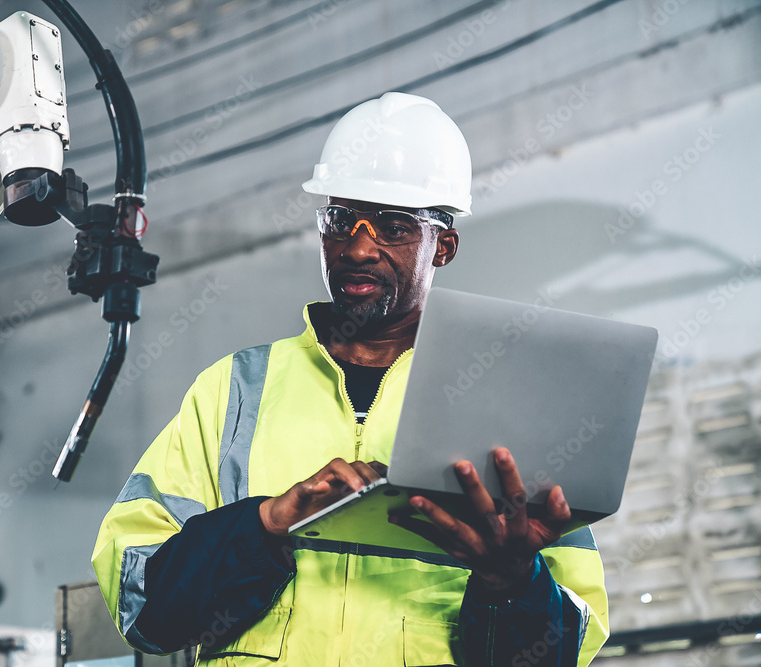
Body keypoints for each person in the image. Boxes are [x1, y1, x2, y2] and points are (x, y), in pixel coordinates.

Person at [93, 92, 609, 666]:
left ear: (444, 247)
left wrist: (511, 582)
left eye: (393, 225)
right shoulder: (235, 390)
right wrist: (264, 525)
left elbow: (568, 649)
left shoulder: (507, 407)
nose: (358, 246)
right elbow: (138, 602)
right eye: (340, 220)